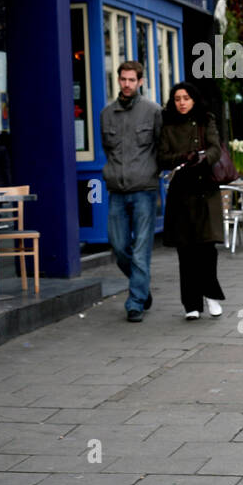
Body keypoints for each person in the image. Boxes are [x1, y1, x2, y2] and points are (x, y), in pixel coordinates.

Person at [156, 81, 227, 320]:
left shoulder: (206, 119)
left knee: (207, 247)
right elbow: (162, 157)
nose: (182, 102)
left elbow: (216, 148)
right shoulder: (168, 124)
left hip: (205, 189)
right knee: (185, 250)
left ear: (193, 99)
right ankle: (191, 304)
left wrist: (202, 158)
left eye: (186, 98)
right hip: (181, 192)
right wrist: (182, 157)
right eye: (177, 98)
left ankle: (211, 294)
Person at [101, 60, 163, 322]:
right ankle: (143, 286)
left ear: (140, 82)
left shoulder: (153, 111)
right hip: (117, 189)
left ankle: (135, 301)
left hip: (144, 189)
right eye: (122, 79)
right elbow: (107, 148)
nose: (126, 84)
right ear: (118, 81)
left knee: (140, 249)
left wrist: (151, 172)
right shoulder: (106, 114)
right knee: (118, 245)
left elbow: (161, 146)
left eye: (131, 80)